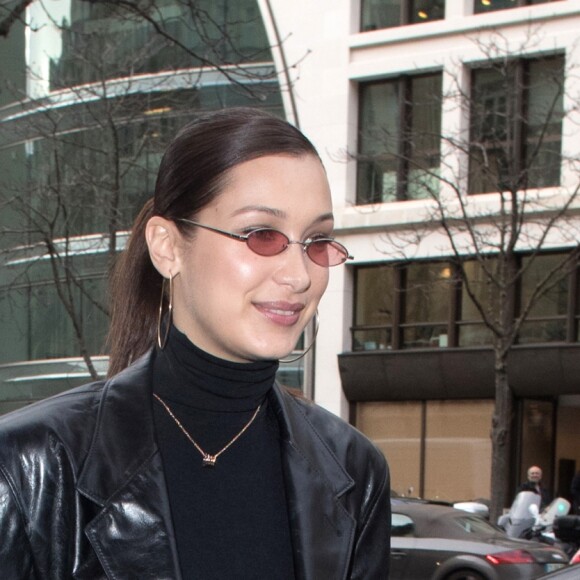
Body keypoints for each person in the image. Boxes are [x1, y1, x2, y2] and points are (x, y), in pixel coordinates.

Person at [0, 108, 391, 579]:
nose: (299, 275)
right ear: (167, 246)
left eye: (316, 240)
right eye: (261, 235)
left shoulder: (354, 471)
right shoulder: (29, 469)